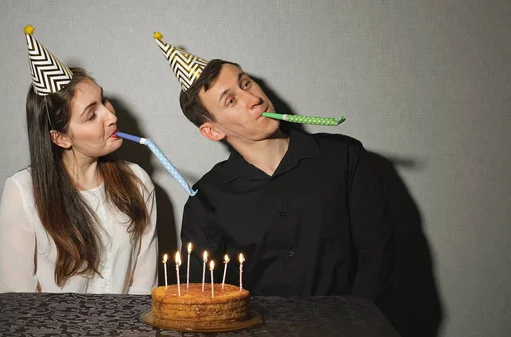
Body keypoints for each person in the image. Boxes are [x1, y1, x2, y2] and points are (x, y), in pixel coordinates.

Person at [154, 33, 394, 300]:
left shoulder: (344, 156)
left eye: (245, 84)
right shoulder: (206, 201)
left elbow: (378, 257)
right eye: (230, 100)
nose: (252, 99)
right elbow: (202, 296)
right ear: (212, 131)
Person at [0, 26, 157, 294]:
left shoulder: (138, 182)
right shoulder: (22, 193)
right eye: (91, 115)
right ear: (61, 138)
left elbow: (144, 288)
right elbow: (16, 303)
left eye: (103, 101)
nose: (111, 117)